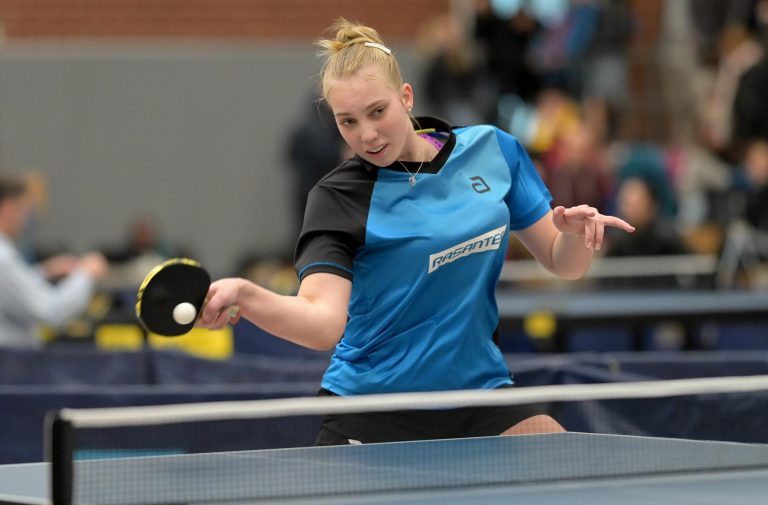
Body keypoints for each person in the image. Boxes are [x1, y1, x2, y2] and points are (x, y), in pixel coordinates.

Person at [198, 19, 634, 445]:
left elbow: (563, 263)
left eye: (377, 112)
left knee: (566, 463)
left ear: (405, 97)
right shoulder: (338, 198)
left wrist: (575, 235)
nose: (367, 135)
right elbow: (323, 323)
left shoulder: (493, 151)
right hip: (376, 408)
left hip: (478, 395)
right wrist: (247, 295)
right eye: (348, 122)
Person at [0, 174, 109, 348]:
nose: (25, 220)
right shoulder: (3, 258)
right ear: (8, 207)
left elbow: (10, 293)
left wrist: (45, 271)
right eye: (23, 210)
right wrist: (87, 274)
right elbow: (51, 311)